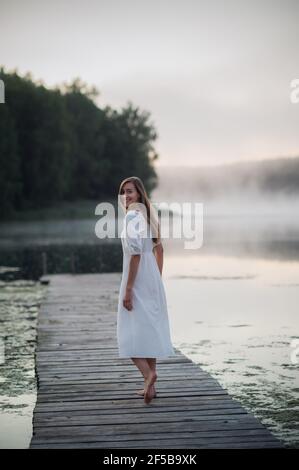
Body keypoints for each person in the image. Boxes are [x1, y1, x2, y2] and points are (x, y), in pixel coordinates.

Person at [117, 176, 176, 404]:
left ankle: (148, 374)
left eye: (130, 191)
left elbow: (134, 255)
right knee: (148, 330)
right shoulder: (148, 216)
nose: (126, 196)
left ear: (139, 194)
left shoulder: (133, 216)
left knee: (127, 334)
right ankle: (149, 388)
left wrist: (129, 289)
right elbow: (160, 250)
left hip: (138, 279)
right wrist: (156, 278)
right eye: (123, 192)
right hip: (150, 278)